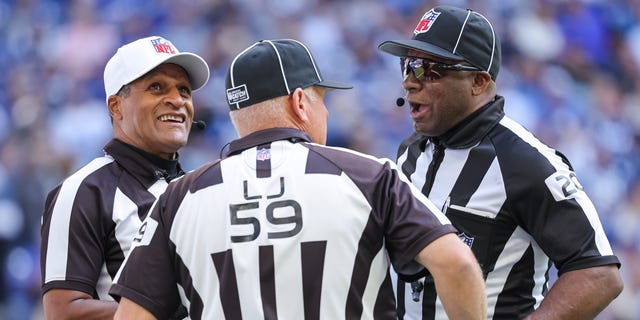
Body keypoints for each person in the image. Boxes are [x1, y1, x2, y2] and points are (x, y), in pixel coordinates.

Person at [110, 38, 486, 320]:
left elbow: (133, 315)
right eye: (321, 100)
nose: (325, 112)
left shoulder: (179, 197)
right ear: (300, 102)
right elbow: (458, 266)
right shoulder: (370, 175)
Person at [377, 5, 624, 320]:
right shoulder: (410, 151)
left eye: (429, 68)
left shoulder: (527, 162)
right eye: (407, 65)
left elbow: (599, 274)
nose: (410, 81)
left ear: (478, 83)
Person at [40, 35, 210, 319]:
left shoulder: (202, 185)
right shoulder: (83, 191)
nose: (177, 100)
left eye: (184, 90)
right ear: (116, 106)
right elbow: (63, 312)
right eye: (156, 87)